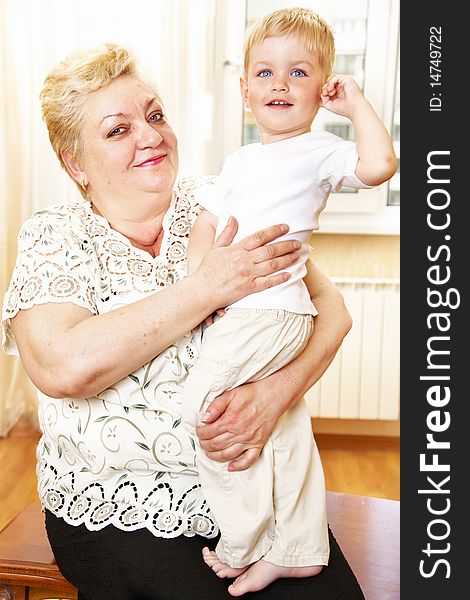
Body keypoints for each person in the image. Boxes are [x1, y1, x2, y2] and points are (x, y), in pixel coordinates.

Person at [2, 42, 365, 600]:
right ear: (76, 162)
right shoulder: (56, 235)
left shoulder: (221, 202)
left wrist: (274, 397)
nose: (150, 136)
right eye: (118, 130)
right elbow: (61, 367)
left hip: (258, 501)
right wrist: (205, 289)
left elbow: (332, 312)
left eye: (154, 116)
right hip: (123, 512)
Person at [182, 6, 397, 597]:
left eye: (299, 73)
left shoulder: (320, 149)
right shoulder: (240, 161)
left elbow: (379, 165)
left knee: (205, 407)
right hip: (246, 308)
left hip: (273, 309)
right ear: (245, 88)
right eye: (266, 73)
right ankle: (299, 547)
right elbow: (208, 223)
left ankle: (243, 540)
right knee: (282, 426)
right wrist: (204, 289)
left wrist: (354, 106)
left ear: (321, 88)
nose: (281, 84)